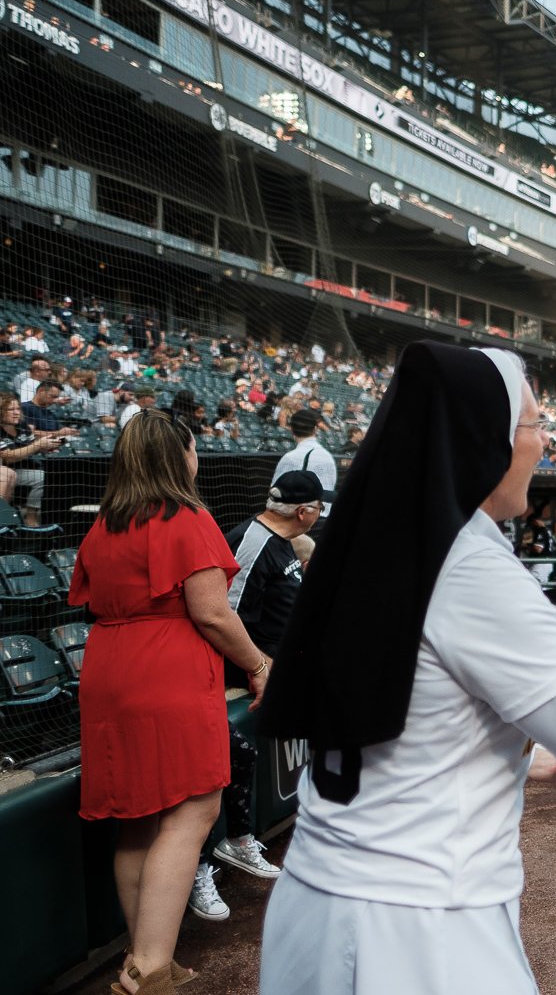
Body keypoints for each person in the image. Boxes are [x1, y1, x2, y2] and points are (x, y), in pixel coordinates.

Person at [256, 342, 556, 994]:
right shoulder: (465, 560)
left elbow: (410, 709)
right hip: (418, 929)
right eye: (536, 423)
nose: (546, 442)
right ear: (481, 434)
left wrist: (517, 755)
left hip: (315, 903)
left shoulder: (379, 530)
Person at [68, 410, 273, 994]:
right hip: (166, 671)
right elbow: (211, 611)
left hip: (109, 666)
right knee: (194, 811)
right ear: (180, 454)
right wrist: (259, 664)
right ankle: (152, 970)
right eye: (194, 447)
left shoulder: (104, 522)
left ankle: (141, 961)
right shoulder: (186, 514)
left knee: (137, 823)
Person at [181, 470, 325, 920]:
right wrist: (256, 668)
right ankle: (211, 857)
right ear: (304, 511)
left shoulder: (282, 542)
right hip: (224, 682)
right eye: (318, 508)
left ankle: (249, 837)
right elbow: (224, 615)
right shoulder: (254, 541)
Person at [0, 391, 62, 525]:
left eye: (17, 408)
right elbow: (8, 457)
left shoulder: (21, 425)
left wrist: (47, 445)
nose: (16, 412)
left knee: (52, 474)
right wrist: (37, 445)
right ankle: (30, 518)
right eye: (11, 409)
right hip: (11, 468)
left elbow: (33, 444)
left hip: (28, 467)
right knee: (42, 477)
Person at [275, 407, 337, 537]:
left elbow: (276, 494)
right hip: (325, 524)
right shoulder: (328, 456)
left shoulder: (290, 457)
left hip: (300, 525)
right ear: (315, 429)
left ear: (292, 429)